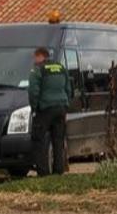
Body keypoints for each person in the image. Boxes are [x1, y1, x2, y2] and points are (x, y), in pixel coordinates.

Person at [28, 47, 71, 176]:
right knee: (58, 139)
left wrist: (34, 107)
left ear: (40, 56)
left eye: (35, 57)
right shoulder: (61, 68)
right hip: (61, 108)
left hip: (45, 108)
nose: (34, 60)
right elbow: (68, 88)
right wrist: (66, 105)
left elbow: (33, 91)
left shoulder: (37, 69)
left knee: (39, 139)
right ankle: (59, 170)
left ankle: (43, 172)